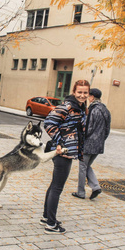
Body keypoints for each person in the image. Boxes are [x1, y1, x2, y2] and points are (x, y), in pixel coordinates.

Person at [42, 80, 90, 234]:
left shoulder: (80, 107)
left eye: (85, 93)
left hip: (68, 152)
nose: (82, 95)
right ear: (74, 92)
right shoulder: (67, 106)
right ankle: (51, 224)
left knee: (54, 185)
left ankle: (46, 216)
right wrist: (60, 142)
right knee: (57, 187)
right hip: (63, 152)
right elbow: (49, 123)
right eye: (79, 92)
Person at [72, 88, 111, 200]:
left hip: (88, 144)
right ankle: (95, 187)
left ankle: (81, 192)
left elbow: (88, 128)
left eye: (88, 96)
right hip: (99, 145)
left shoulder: (92, 110)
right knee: (87, 166)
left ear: (92, 97)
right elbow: (107, 130)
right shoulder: (105, 110)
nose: (87, 98)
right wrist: (101, 140)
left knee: (82, 167)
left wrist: (80, 139)